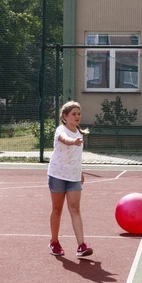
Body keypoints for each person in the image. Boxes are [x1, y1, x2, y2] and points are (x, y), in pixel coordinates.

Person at [47, 101, 93, 258]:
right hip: (57, 175)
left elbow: (77, 156)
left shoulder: (79, 132)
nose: (77, 116)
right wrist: (73, 141)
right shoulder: (61, 130)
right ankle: (54, 242)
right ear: (65, 116)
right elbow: (65, 139)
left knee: (75, 209)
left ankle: (81, 245)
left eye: (79, 114)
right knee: (57, 209)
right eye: (73, 114)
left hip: (73, 177)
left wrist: (80, 172)